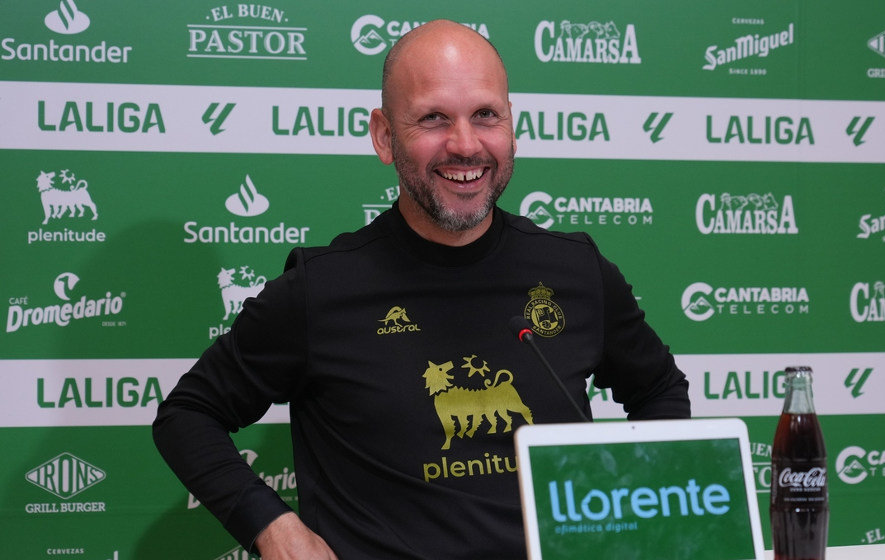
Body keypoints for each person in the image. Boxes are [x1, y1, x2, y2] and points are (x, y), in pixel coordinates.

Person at [153, 19, 690, 560]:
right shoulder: (321, 289)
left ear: (512, 127)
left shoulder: (576, 271)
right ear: (384, 137)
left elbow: (660, 390)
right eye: (434, 118)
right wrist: (273, 527)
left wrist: (634, 500)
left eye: (486, 115)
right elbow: (187, 416)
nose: (465, 144)